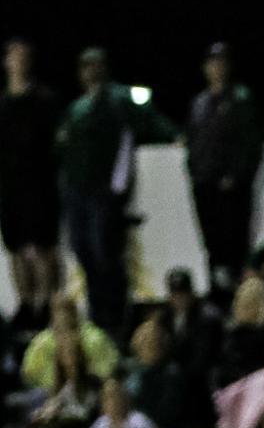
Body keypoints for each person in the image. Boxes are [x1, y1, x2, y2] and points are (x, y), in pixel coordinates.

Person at [58, 47, 176, 332]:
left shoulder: (119, 99)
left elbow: (151, 121)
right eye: (86, 66)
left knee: (106, 256)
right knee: (84, 252)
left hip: (105, 192)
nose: (91, 71)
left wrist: (174, 136)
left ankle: (114, 317)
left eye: (96, 65)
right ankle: (98, 314)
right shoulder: (77, 108)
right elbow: (63, 143)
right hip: (77, 192)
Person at [185, 42, 263, 292]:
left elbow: (250, 142)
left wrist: (236, 175)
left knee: (235, 247)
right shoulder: (199, 103)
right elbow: (194, 140)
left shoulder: (240, 98)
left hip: (231, 187)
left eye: (221, 63)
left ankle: (237, 297)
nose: (216, 68)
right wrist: (195, 173)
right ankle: (218, 296)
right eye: (212, 63)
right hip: (204, 185)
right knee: (212, 247)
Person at [0, 36, 61, 324]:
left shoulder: (44, 100)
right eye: (14, 56)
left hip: (40, 185)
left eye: (24, 56)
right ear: (6, 62)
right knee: (16, 248)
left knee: (41, 248)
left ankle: (45, 303)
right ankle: (25, 303)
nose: (19, 61)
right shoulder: (2, 102)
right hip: (10, 187)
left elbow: (57, 144)